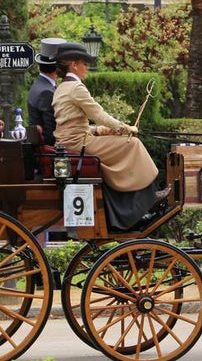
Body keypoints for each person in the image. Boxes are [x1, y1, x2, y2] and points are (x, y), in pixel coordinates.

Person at [52, 42, 170, 229]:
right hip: (79, 144)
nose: (87, 68)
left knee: (124, 142)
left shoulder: (61, 88)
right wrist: (124, 128)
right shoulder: (76, 88)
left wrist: (101, 130)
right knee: (132, 144)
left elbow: (72, 125)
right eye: (84, 63)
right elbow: (98, 114)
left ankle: (130, 202)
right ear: (74, 64)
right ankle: (148, 196)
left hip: (72, 142)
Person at [26, 37, 66, 146]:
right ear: (58, 67)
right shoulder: (46, 92)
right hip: (47, 153)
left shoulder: (39, 84)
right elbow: (50, 133)